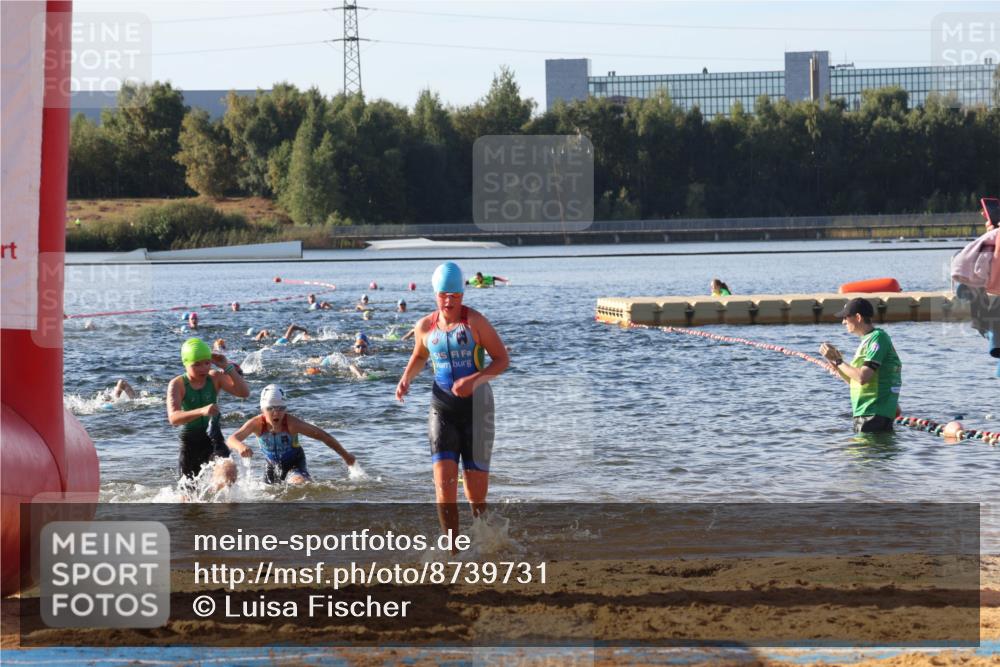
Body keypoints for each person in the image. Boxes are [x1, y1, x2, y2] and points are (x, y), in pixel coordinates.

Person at [395, 261, 510, 547]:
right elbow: (421, 355)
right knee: (444, 488)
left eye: (455, 296)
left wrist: (475, 379)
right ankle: (452, 552)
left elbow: (502, 360)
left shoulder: (475, 322)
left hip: (477, 409)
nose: (449, 301)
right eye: (444, 295)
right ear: (435, 294)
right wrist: (406, 378)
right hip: (442, 408)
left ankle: (487, 544)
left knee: (475, 495)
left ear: (463, 294)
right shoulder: (425, 325)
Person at [227, 384, 355, 484]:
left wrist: (346, 455)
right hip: (271, 465)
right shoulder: (256, 424)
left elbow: (323, 436)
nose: (276, 413)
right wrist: (240, 446)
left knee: (299, 485)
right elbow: (232, 439)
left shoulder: (292, 424)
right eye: (270, 409)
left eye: (281, 408)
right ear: (262, 409)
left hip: (295, 462)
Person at [166, 337, 251, 487]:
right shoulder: (178, 384)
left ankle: (219, 507)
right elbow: (174, 418)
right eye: (196, 364)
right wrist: (202, 411)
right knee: (189, 500)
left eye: (207, 362)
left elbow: (244, 393)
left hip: (213, 439)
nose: (203, 368)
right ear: (185, 363)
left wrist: (227, 367)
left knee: (228, 473)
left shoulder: (214, 378)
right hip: (190, 443)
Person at [819, 298, 902, 433]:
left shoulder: (878, 338)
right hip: (868, 414)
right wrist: (836, 366)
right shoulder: (867, 341)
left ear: (858, 317)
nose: (843, 322)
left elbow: (863, 377)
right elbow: (856, 382)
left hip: (872, 415)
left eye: (846, 317)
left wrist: (840, 361)